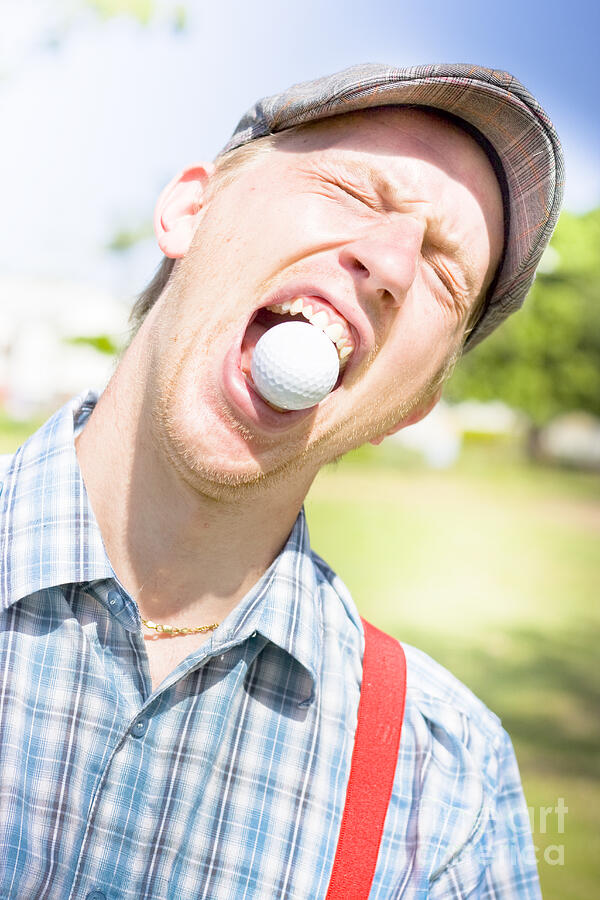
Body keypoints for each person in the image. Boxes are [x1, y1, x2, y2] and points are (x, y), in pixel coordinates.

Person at [0, 63, 563, 898]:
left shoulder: (449, 789)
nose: (392, 264)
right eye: (351, 190)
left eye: (445, 271)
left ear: (417, 401)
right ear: (191, 208)